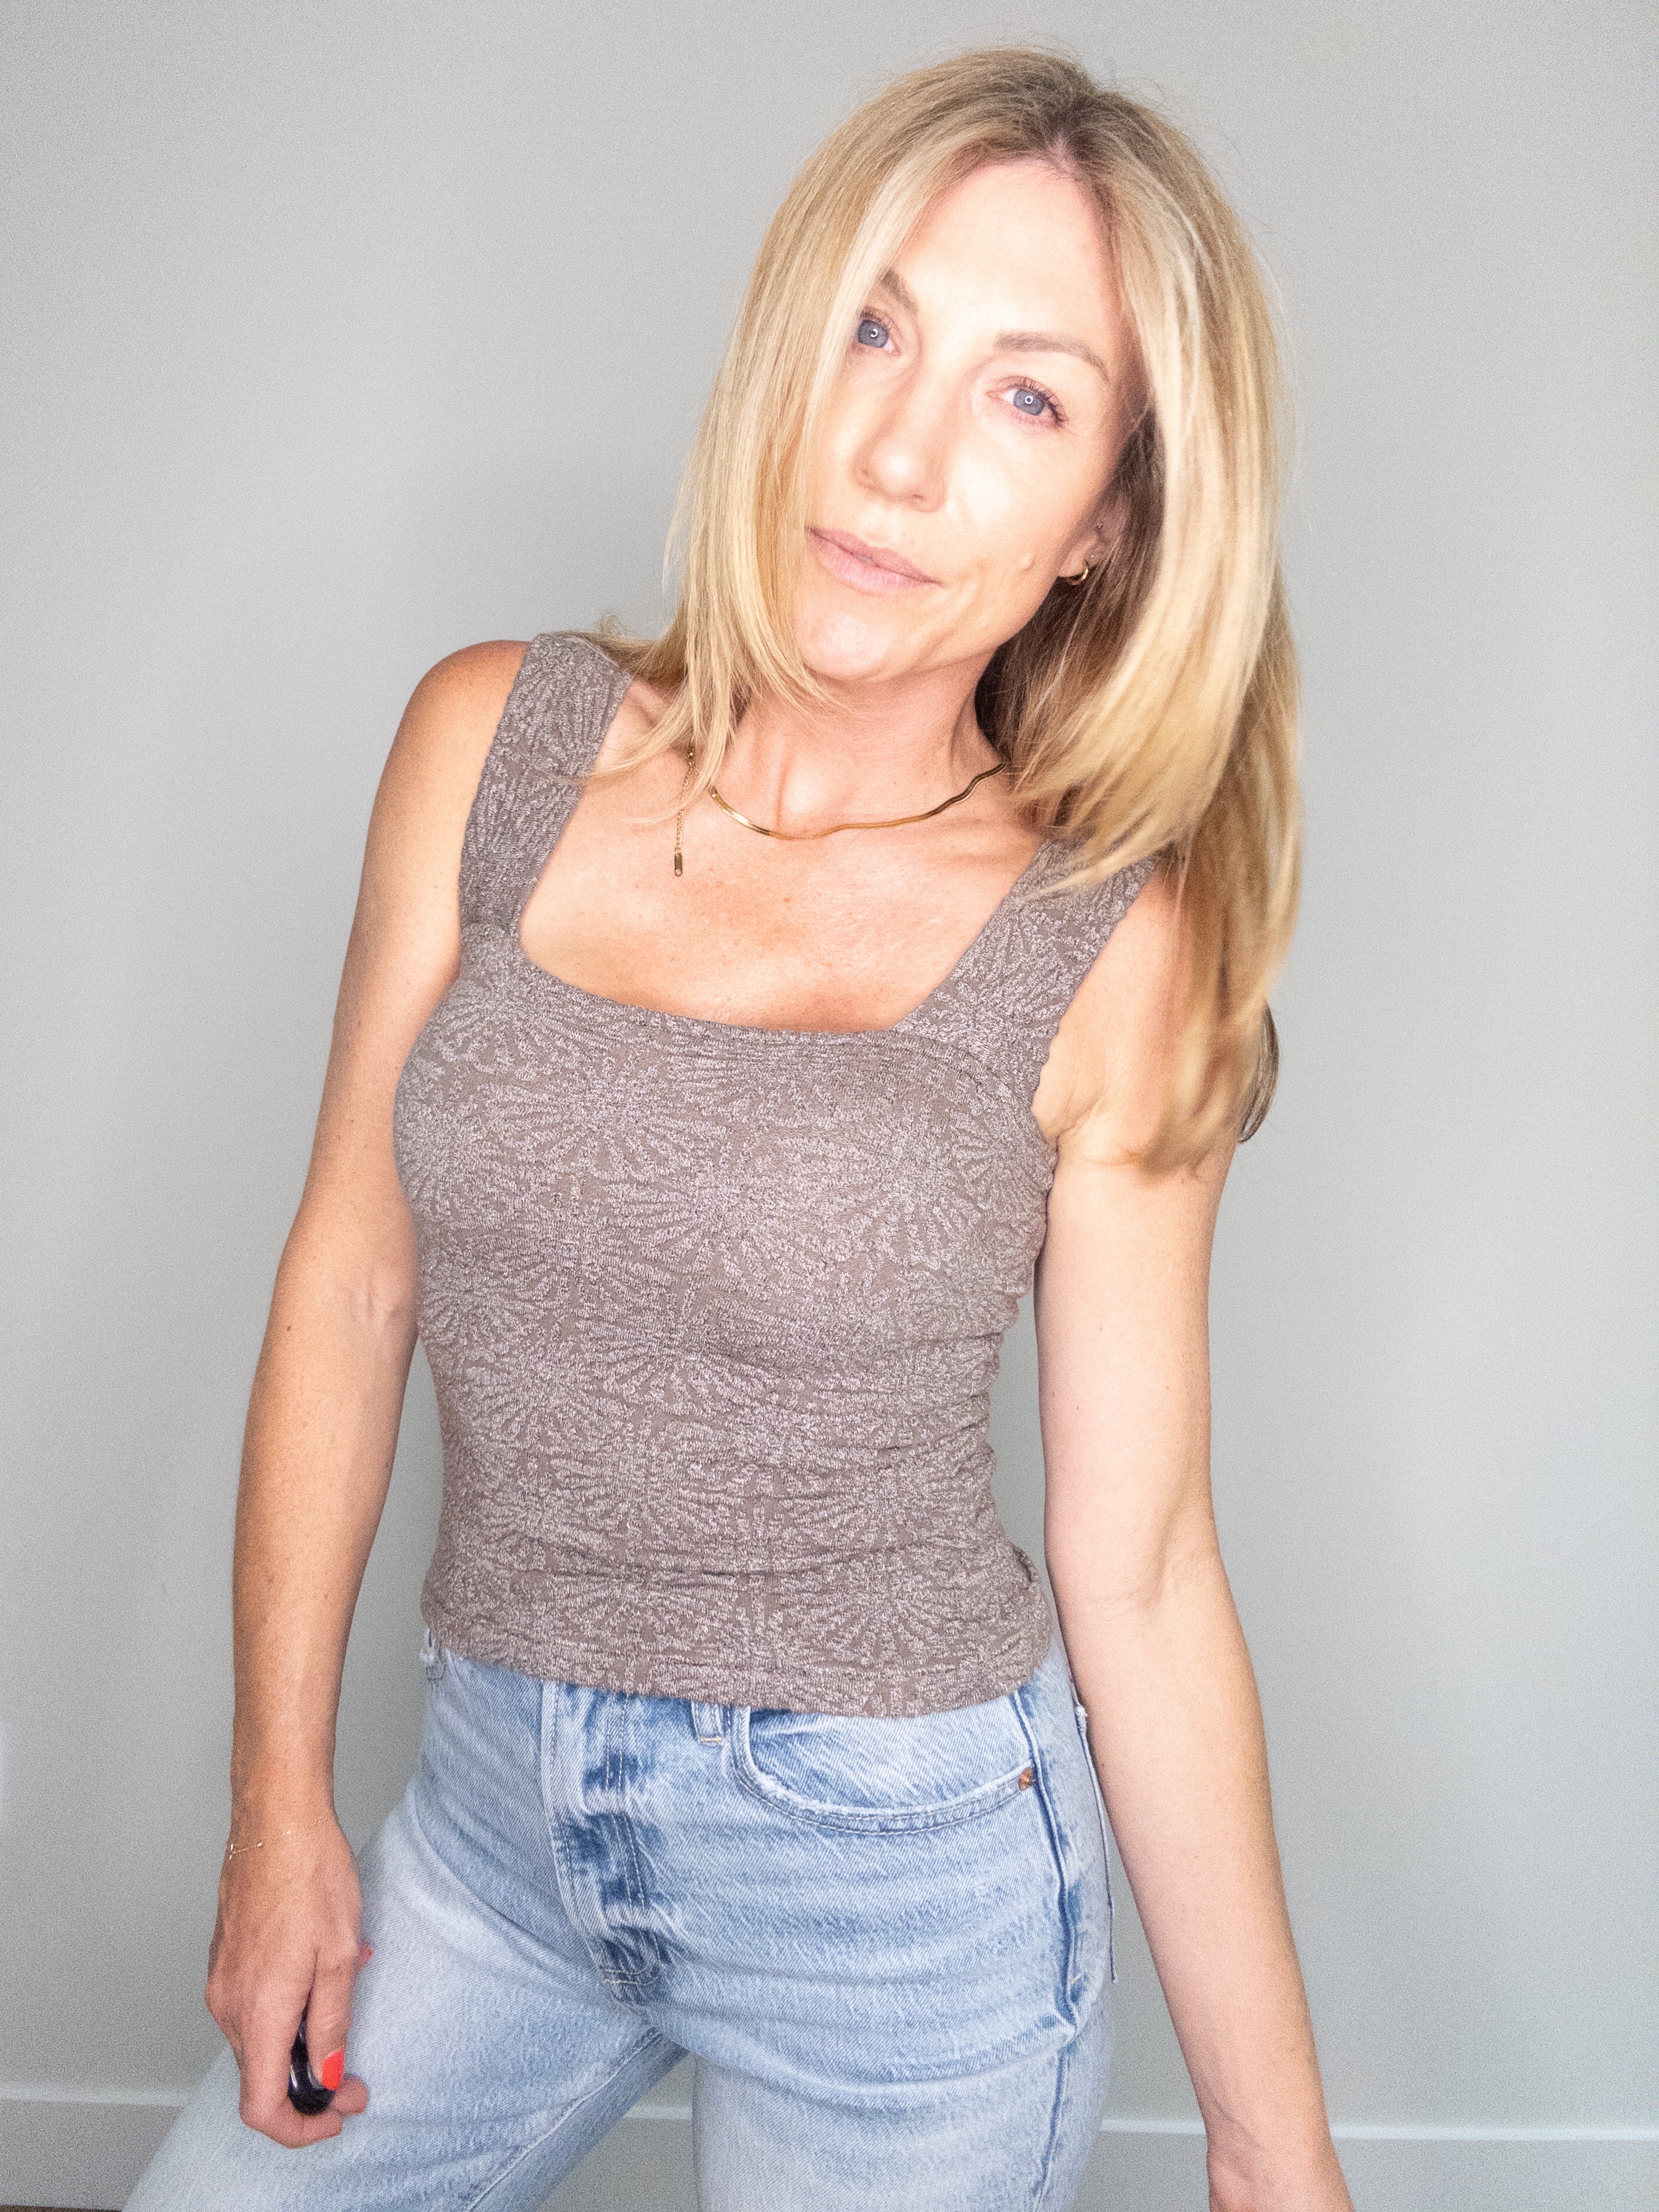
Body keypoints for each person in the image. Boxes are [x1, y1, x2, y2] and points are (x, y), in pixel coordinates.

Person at [129, 46, 1353, 2212]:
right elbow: (350, 1278)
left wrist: (1273, 2153)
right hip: (494, 1824)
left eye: (1027, 397)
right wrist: (278, 1801)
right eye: (875, 326)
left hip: (900, 1892)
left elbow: (1144, 1560)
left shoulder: (1112, 947)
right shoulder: (489, 746)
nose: (895, 451)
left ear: (1109, 525)